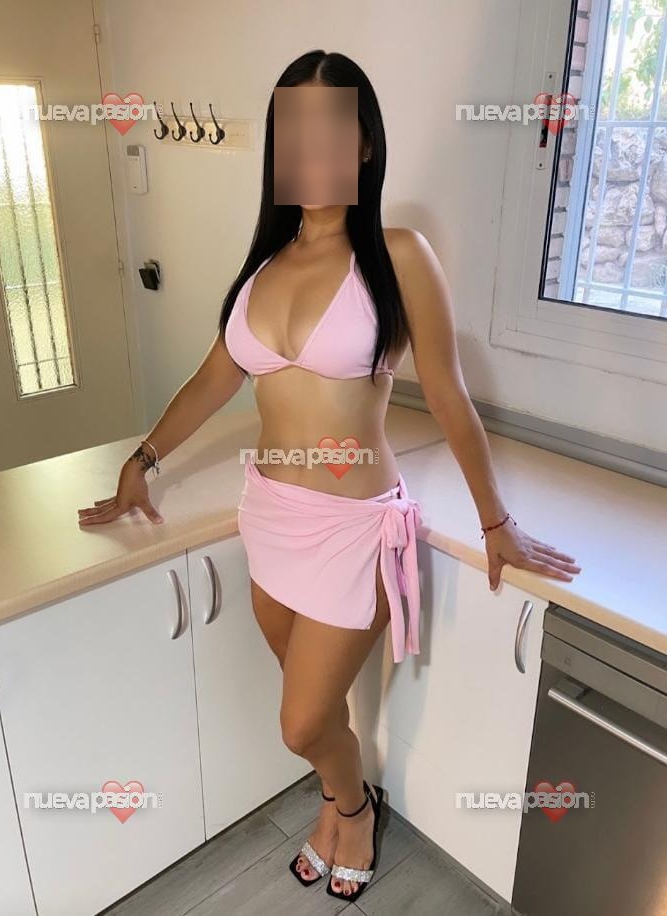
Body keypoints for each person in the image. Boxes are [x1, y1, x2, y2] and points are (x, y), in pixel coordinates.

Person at [77, 49, 581, 903]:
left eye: (331, 128)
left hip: (353, 531)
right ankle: (339, 800)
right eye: (293, 131)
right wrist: (142, 460)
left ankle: (354, 806)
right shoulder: (261, 271)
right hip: (270, 517)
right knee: (315, 709)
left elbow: (450, 396)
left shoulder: (397, 255)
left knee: (302, 720)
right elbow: (213, 380)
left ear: (365, 144)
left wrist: (496, 522)